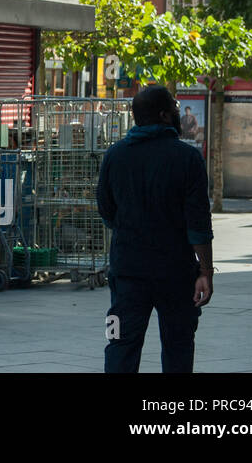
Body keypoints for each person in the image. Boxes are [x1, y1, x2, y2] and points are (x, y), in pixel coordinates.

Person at [97, 84, 214, 373]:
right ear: (164, 115)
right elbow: (198, 224)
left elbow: (106, 210)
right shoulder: (187, 158)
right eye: (174, 108)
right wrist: (206, 272)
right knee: (179, 345)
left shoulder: (115, 155)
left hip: (127, 271)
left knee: (120, 344)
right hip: (176, 272)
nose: (177, 112)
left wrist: (130, 229)